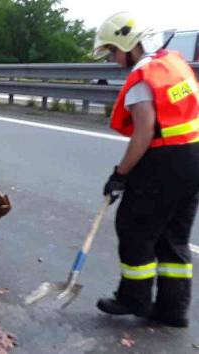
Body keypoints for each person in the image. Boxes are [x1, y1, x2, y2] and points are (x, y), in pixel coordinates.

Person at [93, 12, 199, 328]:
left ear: (128, 43)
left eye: (113, 50)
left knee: (134, 227)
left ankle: (133, 299)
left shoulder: (143, 77)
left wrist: (121, 174)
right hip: (193, 157)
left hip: (164, 161)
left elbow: (144, 131)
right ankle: (172, 309)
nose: (113, 59)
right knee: (173, 235)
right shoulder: (174, 64)